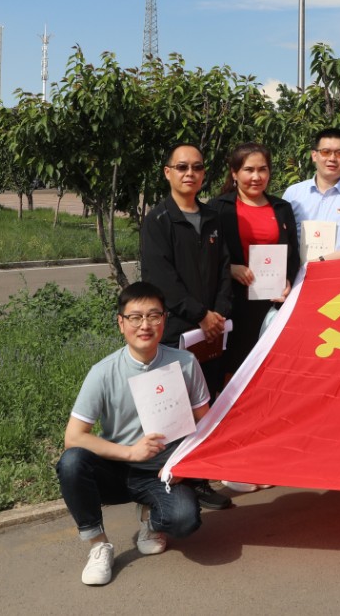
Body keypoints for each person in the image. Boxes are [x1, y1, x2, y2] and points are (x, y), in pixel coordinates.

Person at [55, 281, 213, 587]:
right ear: (121, 323)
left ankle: (151, 517)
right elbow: (73, 437)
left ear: (164, 319)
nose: (145, 325)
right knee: (72, 462)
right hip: (117, 469)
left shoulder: (185, 363)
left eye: (153, 316)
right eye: (135, 317)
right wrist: (130, 452)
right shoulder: (103, 372)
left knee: (185, 520)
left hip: (164, 473)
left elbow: (206, 424)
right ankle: (99, 545)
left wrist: (183, 465)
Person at [138, 142, 234, 512]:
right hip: (178, 329)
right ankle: (168, 484)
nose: (189, 173)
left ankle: (200, 480)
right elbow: (162, 279)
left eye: (196, 167)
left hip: (211, 331)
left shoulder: (212, 217)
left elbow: (224, 269)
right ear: (168, 173)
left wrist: (218, 314)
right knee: (174, 411)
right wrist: (200, 315)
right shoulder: (158, 220)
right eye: (181, 167)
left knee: (205, 404)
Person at [207, 143, 300, 377]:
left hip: (272, 302)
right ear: (234, 173)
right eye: (249, 170)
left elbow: (293, 254)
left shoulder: (282, 208)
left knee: (271, 369)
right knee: (234, 370)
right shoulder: (219, 208)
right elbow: (205, 254)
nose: (256, 177)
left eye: (262, 169)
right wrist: (230, 268)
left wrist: (288, 281)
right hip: (234, 302)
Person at [282, 128, 340, 260]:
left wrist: (321, 261)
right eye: (326, 152)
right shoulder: (293, 194)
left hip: (339, 271)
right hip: (298, 271)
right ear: (314, 155)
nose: (332, 158)